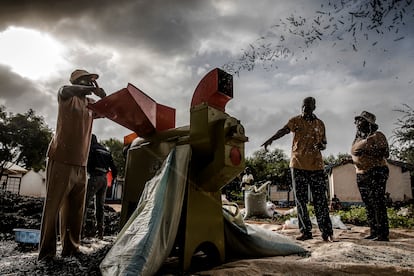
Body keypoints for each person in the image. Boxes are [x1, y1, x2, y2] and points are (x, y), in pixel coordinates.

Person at [38, 69, 106, 261]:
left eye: (92, 81)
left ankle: (71, 247)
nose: (91, 84)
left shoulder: (90, 104)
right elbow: (66, 90)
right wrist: (84, 88)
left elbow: (109, 110)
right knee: (53, 207)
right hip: (61, 159)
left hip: (81, 164)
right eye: (87, 80)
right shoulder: (67, 96)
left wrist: (103, 96)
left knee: (75, 209)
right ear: (78, 81)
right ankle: (47, 253)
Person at [262, 97, 334, 242]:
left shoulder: (320, 124)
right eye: (303, 106)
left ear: (314, 107)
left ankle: (327, 232)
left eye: (308, 106)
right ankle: (305, 232)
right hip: (298, 164)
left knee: (320, 200)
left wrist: (321, 146)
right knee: (301, 200)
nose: (304, 109)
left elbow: (324, 143)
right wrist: (271, 139)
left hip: (316, 165)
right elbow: (283, 130)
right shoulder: (295, 120)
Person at [351, 111, 390, 241]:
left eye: (360, 120)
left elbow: (386, 153)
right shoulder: (358, 138)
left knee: (377, 202)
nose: (357, 123)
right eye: (357, 120)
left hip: (376, 171)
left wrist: (367, 151)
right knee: (368, 204)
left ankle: (382, 234)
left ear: (368, 124)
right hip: (361, 174)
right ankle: (374, 231)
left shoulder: (377, 136)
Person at [83, 134, 117, 239]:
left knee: (84, 204)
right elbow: (114, 168)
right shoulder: (105, 150)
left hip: (94, 178)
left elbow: (87, 163)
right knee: (100, 207)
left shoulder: (91, 149)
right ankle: (100, 233)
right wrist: (113, 178)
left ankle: (79, 233)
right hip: (104, 180)